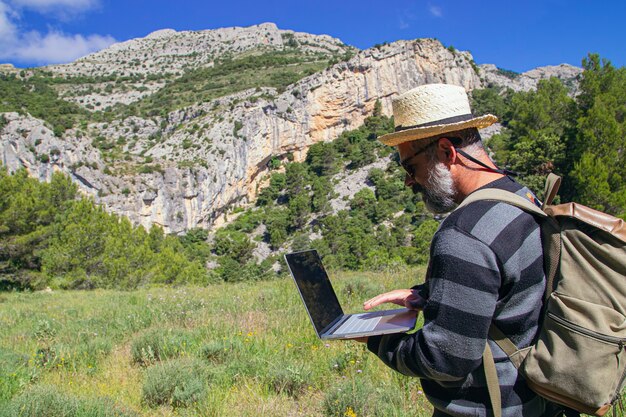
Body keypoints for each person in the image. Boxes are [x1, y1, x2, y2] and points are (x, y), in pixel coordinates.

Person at [357, 83, 554, 417]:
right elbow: (511, 287)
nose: (409, 182)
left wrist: (372, 337)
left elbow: (444, 359)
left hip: (492, 407)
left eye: (410, 167)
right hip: (536, 401)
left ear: (448, 152)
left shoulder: (464, 233)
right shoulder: (522, 196)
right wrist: (431, 294)